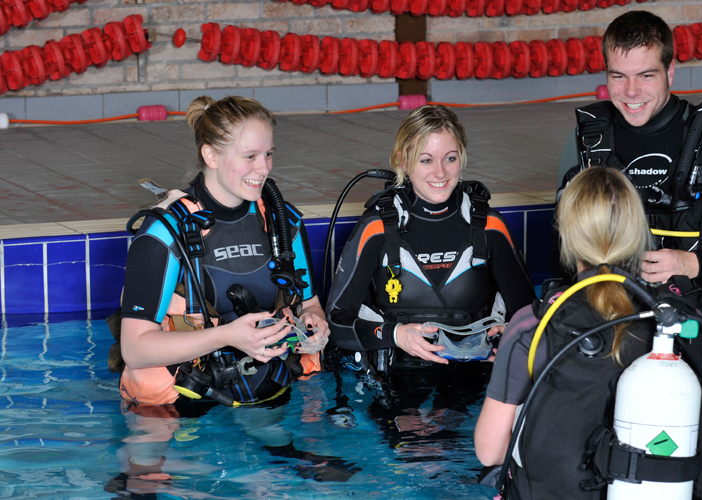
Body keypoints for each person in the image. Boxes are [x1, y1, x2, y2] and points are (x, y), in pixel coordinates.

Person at [107, 95, 355, 490]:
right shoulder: (162, 235)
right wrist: (226, 335)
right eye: (250, 156)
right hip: (175, 399)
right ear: (210, 155)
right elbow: (134, 350)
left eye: (269, 155)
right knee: (162, 478)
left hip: (258, 386)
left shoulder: (282, 224)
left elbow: (309, 303)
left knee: (291, 477)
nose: (264, 169)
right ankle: (140, 475)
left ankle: (280, 449)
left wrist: (315, 324)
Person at [475, 167, 702, 499]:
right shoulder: (683, 322)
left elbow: (490, 453)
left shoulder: (532, 326)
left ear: (567, 235)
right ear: (638, 232)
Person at [555, 10, 702, 386]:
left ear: (670, 73)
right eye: (618, 76)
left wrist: (691, 264)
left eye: (646, 75)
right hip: (614, 342)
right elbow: (561, 247)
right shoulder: (585, 144)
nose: (631, 92)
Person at [325, 104, 536, 445]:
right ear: (402, 161)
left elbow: (532, 317)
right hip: (394, 375)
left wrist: (506, 333)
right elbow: (335, 324)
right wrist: (397, 335)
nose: (440, 172)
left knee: (457, 447)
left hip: (472, 377)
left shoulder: (489, 228)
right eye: (426, 160)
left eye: (450, 158)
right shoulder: (377, 229)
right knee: (411, 449)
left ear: (462, 159)